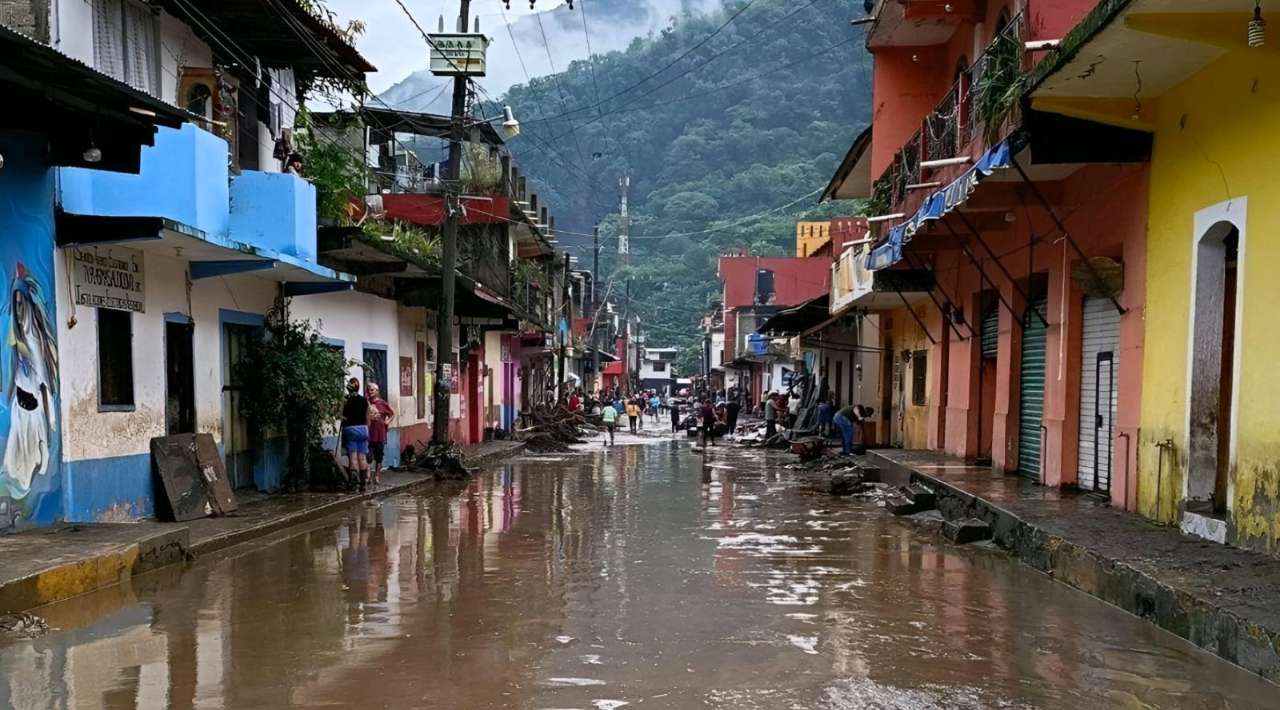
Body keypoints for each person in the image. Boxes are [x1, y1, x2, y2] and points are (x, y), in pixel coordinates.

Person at [340, 377, 371, 492]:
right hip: (363, 429)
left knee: (353, 457)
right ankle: (363, 484)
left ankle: (354, 484)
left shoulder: (345, 399)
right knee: (362, 457)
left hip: (351, 429)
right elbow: (368, 416)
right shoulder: (364, 400)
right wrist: (367, 430)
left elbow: (340, 414)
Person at [366, 382, 394, 486]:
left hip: (380, 434)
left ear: (377, 392)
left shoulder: (382, 403)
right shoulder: (367, 403)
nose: (370, 392)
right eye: (368, 390)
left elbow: (392, 413)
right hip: (369, 433)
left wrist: (387, 421)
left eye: (372, 390)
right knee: (368, 455)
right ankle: (368, 475)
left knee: (379, 456)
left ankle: (377, 476)